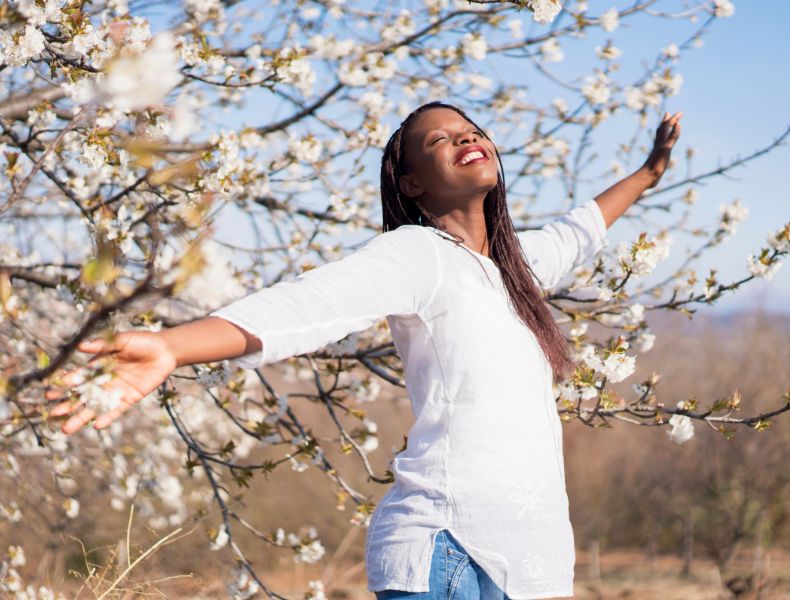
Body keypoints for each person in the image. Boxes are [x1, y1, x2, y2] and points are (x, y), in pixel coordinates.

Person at [45, 102, 682, 599]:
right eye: (438, 140)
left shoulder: (522, 266)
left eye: (469, 130)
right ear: (411, 183)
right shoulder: (418, 254)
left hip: (537, 549)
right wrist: (171, 346)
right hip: (447, 547)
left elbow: (584, 226)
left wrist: (650, 172)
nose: (463, 139)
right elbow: (307, 304)